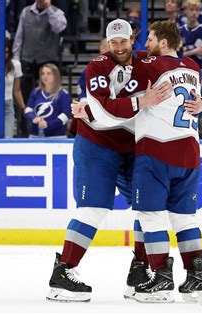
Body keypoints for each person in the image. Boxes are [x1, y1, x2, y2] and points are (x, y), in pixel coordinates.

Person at [46, 19, 171, 303]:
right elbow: (104, 113)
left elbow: (179, 72)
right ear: (106, 42)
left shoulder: (148, 61)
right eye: (113, 43)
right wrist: (141, 102)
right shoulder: (97, 67)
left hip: (133, 146)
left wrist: (198, 100)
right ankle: (63, 273)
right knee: (92, 209)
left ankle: (139, 273)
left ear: (132, 38)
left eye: (123, 41)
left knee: (148, 207)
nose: (119, 47)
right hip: (96, 145)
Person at [120, 20, 202, 303]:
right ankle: (196, 278)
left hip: (157, 150)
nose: (146, 45)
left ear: (164, 43)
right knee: (185, 218)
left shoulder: (150, 65)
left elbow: (122, 75)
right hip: (190, 152)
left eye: (151, 39)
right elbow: (196, 99)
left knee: (150, 216)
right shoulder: (193, 68)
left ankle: (161, 276)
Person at [13, 0, 67, 105]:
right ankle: (26, 119)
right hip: (27, 59)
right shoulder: (25, 11)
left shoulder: (57, 13)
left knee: (49, 94)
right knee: (26, 95)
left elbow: (59, 28)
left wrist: (49, 9)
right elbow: (19, 36)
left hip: (48, 60)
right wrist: (16, 58)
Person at [0, 39, 26, 138]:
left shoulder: (16, 65)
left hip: (8, 104)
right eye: (0, 52)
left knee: (8, 137)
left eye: (6, 52)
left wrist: (23, 108)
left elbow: (17, 90)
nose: (3, 55)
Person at [24, 63, 71, 138]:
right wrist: (34, 119)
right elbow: (28, 110)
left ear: (55, 76)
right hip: (35, 135)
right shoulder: (35, 92)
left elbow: (65, 116)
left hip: (57, 137)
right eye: (43, 74)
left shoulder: (63, 94)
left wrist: (48, 125)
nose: (45, 76)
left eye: (49, 73)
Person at [181, 0, 202, 70]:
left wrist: (186, 49)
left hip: (199, 68)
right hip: (182, 68)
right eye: (191, 10)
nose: (194, 13)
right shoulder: (180, 30)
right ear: (185, 11)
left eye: (197, 10)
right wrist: (194, 51)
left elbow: (200, 51)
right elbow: (176, 53)